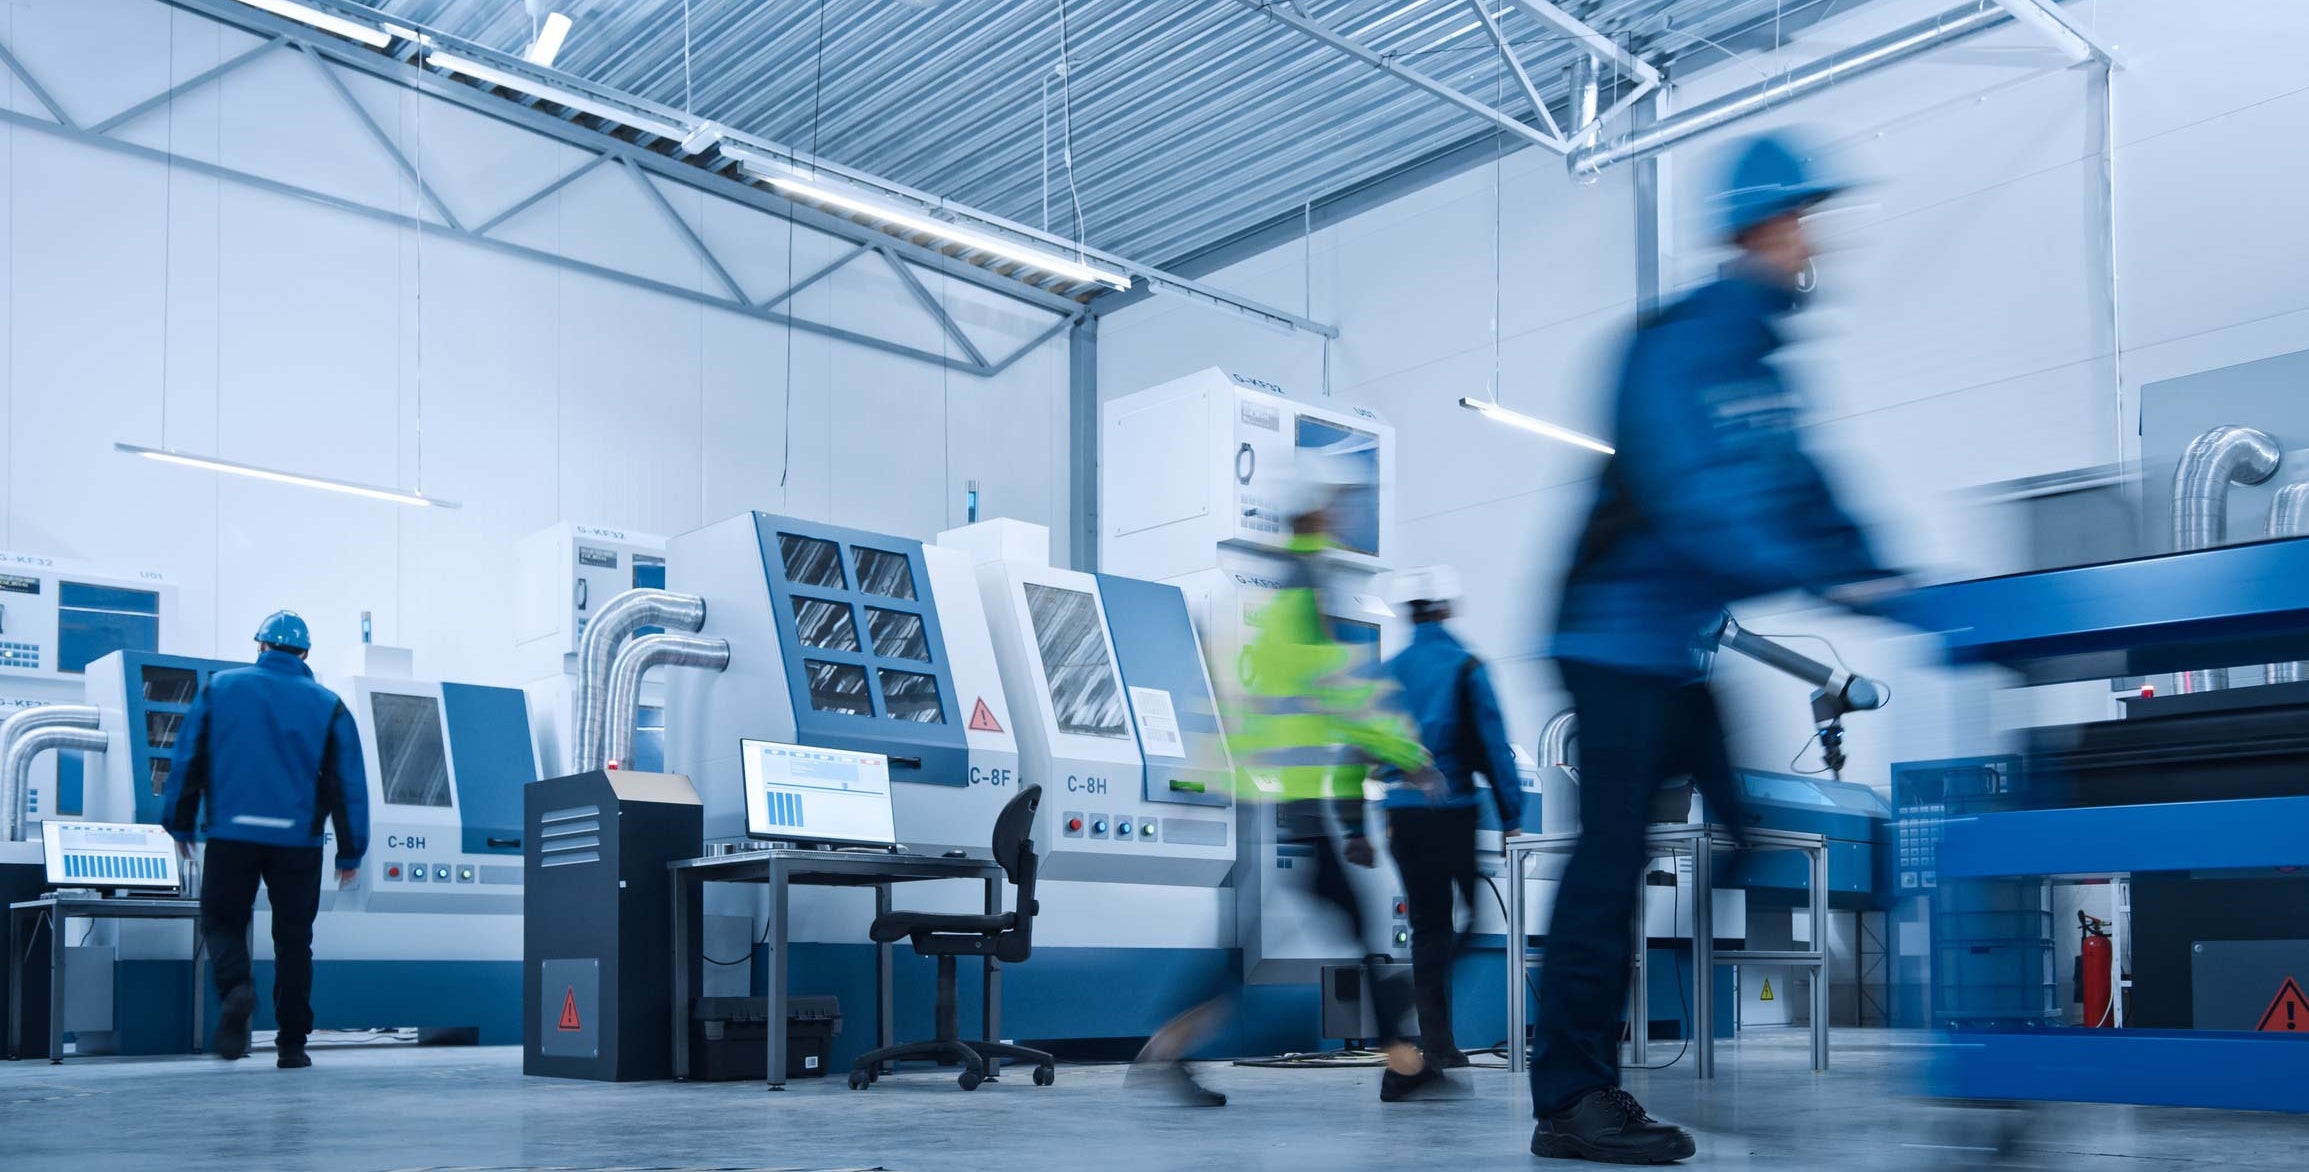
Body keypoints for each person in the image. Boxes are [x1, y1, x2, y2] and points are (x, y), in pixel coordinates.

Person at [1530, 134, 1902, 1164]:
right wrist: (1823, 571)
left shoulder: (1765, 369)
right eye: (1798, 222)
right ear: (1758, 229)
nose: (1810, 242)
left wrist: (1898, 577)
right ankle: (1569, 1096)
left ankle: (1666, 1042)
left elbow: (1812, 492)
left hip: (1675, 651)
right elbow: (1695, 498)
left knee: (1737, 821)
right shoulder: (1675, 346)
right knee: (1607, 864)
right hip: (1608, 637)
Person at [1132, 449, 1452, 1107]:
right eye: (1336, 502)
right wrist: (1407, 753)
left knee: (1311, 928)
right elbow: (1338, 691)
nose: (1344, 512)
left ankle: (1402, 1057)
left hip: (1273, 792)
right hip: (1282, 797)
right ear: (1314, 510)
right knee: (1282, 939)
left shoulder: (1286, 585)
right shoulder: (1304, 587)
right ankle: (1170, 1047)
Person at [161, 610, 369, 1068]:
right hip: (299, 842)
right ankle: (292, 1045)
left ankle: (237, 989)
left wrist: (179, 823)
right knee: (294, 941)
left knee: (222, 922)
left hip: (232, 834)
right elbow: (348, 783)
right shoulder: (328, 704)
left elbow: (188, 758)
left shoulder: (220, 689)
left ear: (259, 647)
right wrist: (351, 851)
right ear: (305, 653)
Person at [1378, 564, 1526, 1069]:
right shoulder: (1466, 666)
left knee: (1426, 926)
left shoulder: (1389, 671)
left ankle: (1437, 1043)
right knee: (1470, 915)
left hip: (1399, 813)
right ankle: (1421, 1018)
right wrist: (1512, 816)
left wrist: (1358, 824)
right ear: (1445, 607)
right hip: (1452, 810)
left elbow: (1367, 748)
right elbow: (1492, 745)